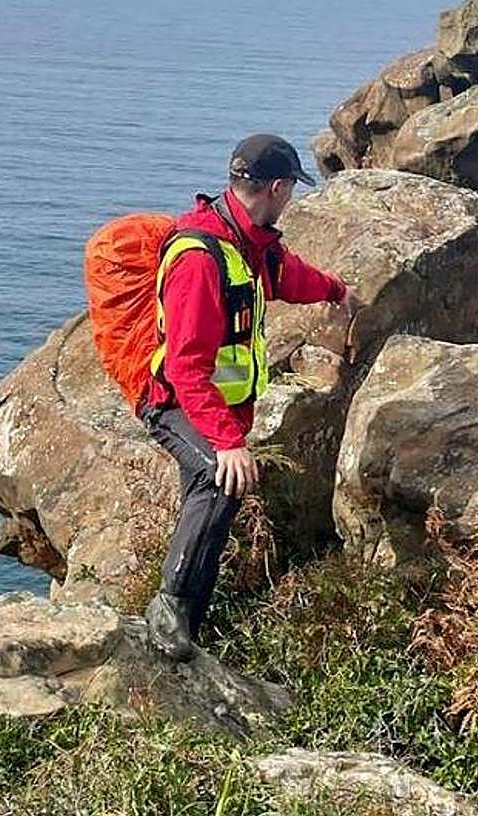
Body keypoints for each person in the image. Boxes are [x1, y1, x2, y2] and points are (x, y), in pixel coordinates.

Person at [141, 133, 361, 662]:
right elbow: (186, 367)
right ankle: (167, 610)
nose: (291, 200)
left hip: (215, 406)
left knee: (220, 495)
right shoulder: (200, 257)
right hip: (175, 402)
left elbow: (287, 275)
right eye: (290, 190)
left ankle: (189, 627)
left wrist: (336, 290)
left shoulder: (249, 240)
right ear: (277, 186)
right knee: (219, 481)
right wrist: (226, 442)